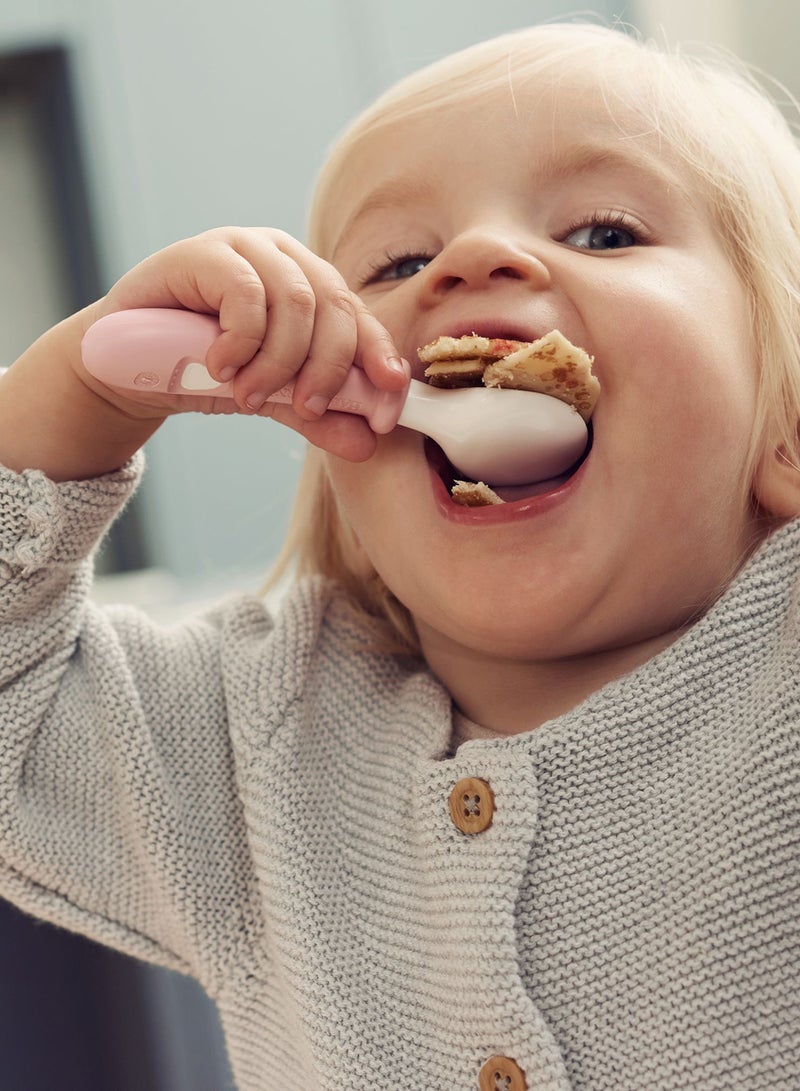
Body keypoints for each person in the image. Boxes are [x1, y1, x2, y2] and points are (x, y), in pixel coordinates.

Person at [0, 19, 798, 1091]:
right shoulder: (250, 750)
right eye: (398, 260)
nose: (472, 259)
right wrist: (75, 397)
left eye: (604, 232)